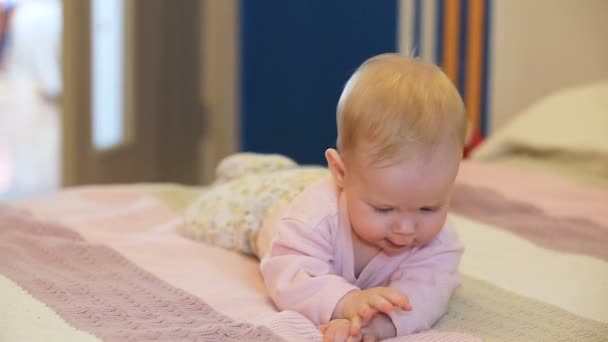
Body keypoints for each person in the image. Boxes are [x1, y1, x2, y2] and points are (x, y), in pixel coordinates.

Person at [182, 53, 468, 341]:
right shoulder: (311, 217)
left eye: (429, 208)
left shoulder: (439, 240)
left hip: (327, 189)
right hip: (273, 207)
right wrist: (346, 301)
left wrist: (379, 324)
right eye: (384, 209)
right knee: (219, 208)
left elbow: (429, 290)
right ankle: (246, 169)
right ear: (341, 173)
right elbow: (290, 274)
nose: (406, 228)